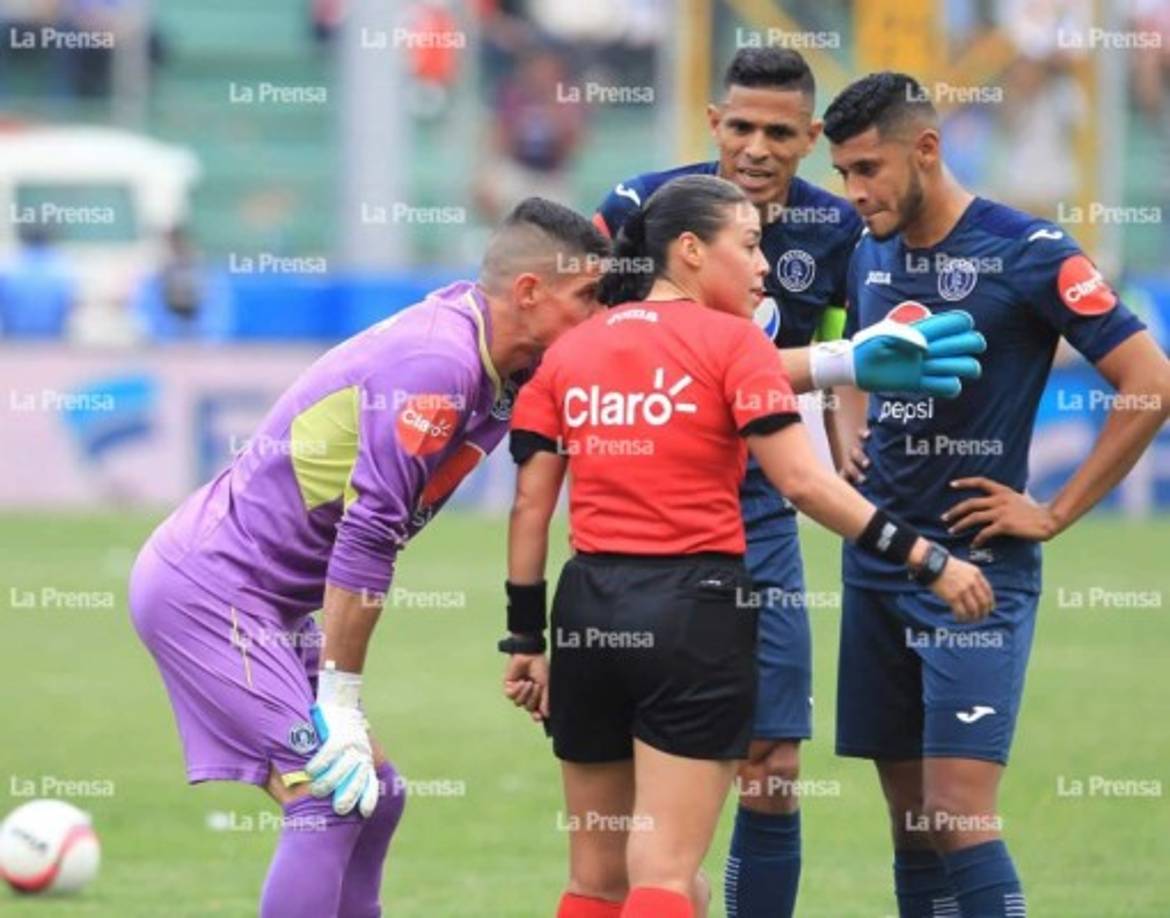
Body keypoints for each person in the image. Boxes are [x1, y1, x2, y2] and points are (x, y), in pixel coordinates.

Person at [500, 174, 996, 918]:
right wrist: (925, 556)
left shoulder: (572, 352)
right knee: (666, 874)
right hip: (694, 615)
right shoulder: (736, 345)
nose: (765, 267)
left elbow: (530, 507)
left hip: (587, 612)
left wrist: (524, 637)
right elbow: (802, 483)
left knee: (597, 879)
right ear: (692, 251)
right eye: (751, 244)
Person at [127, 198, 610, 918]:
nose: (600, 319)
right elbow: (368, 531)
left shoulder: (494, 351)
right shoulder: (437, 363)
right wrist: (340, 705)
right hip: (213, 592)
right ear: (530, 294)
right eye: (590, 300)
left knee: (376, 796)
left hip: (262, 598)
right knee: (330, 799)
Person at [591, 48, 968, 917]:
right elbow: (613, 340)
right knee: (634, 796)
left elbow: (839, 322)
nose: (757, 147)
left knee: (774, 768)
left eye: (780, 133)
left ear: (809, 140)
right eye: (741, 126)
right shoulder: (642, 206)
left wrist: (843, 409)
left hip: (758, 504)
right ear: (714, 120)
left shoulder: (838, 229)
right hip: (650, 512)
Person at [823, 72, 1170, 918]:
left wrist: (1051, 511)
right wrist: (844, 411)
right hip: (875, 561)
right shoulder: (869, 242)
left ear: (927, 151)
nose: (855, 191)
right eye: (843, 173)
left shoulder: (1030, 252)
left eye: (869, 168)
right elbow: (851, 341)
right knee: (911, 824)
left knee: (957, 811)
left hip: (975, 573)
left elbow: (1148, 380)